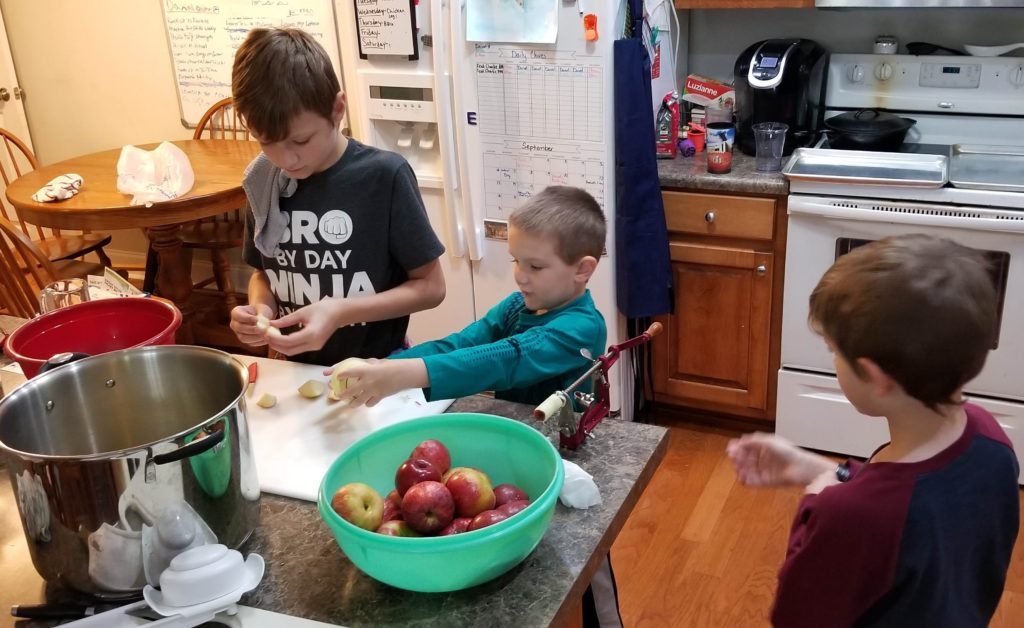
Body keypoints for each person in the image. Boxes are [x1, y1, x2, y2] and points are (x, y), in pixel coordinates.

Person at [333, 185, 624, 627]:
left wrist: (404, 377)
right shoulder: (519, 305)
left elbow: (504, 360)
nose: (520, 277)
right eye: (516, 262)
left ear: (583, 269)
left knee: (579, 572)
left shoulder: (581, 328)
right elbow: (464, 343)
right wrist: (384, 366)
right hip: (513, 459)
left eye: (535, 266)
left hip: (567, 465)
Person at [726, 234, 1019, 627]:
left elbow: (797, 616)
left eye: (834, 351)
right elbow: (917, 506)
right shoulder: (992, 442)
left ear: (878, 378)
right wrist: (823, 471)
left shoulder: (851, 517)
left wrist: (817, 501)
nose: (833, 360)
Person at [227, 28, 445, 365]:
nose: (287, 159)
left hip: (378, 368)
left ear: (337, 108)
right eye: (267, 142)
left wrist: (340, 311)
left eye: (301, 141)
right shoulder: (263, 180)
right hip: (296, 372)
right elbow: (263, 274)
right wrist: (261, 309)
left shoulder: (384, 176)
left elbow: (431, 287)